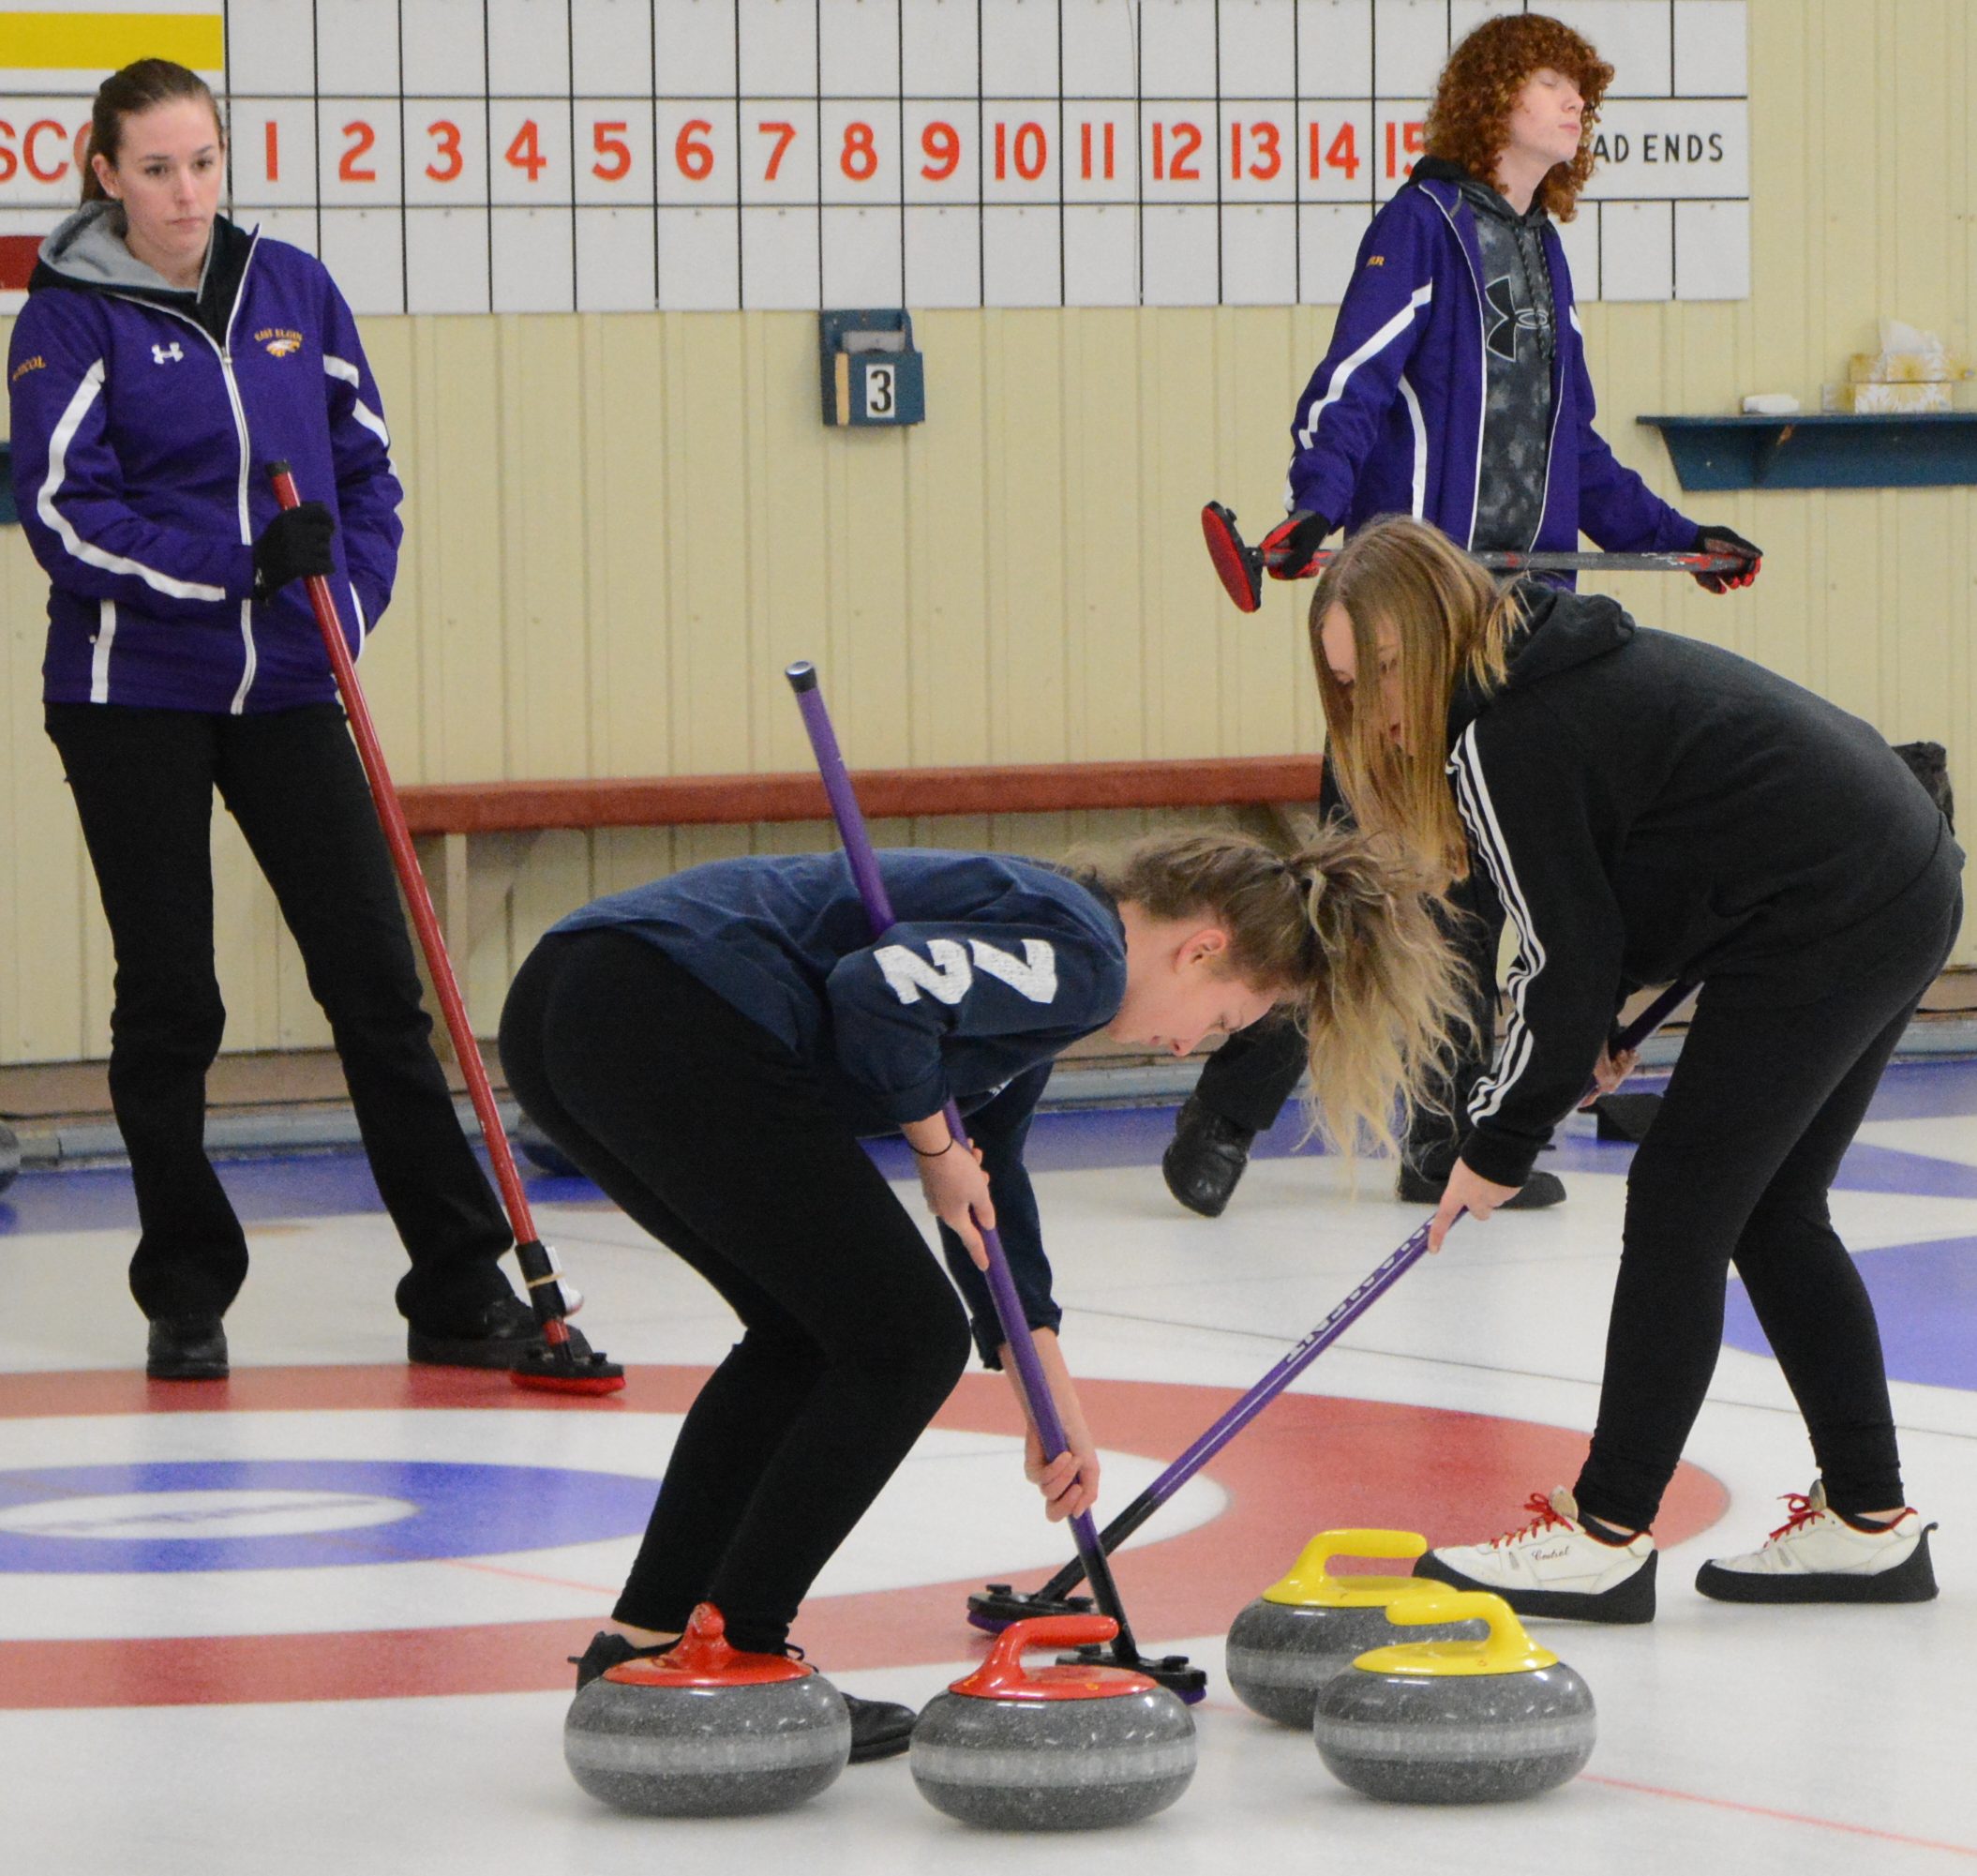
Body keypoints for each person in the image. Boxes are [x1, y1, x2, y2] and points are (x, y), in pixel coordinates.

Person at [499, 829, 1467, 1756]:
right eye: (1218, 1021)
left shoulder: (1047, 960)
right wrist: (930, 1147)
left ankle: (645, 1641)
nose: (1185, 1050)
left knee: (807, 1334)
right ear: (1201, 948)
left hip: (574, 1003)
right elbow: (877, 994)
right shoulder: (1080, 955)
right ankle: (742, 1649)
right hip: (664, 1004)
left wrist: (1050, 1402)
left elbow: (992, 1191)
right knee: (905, 1341)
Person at [1165, 11, 1760, 1222]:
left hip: (1520, 634)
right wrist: (1309, 510)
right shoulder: (1419, 227)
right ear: (1494, 97)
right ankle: (1224, 1115)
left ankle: (1440, 1143)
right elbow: (1348, 387)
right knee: (1355, 885)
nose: (1575, 104)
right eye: (1554, 82)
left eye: (1581, 91)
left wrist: (1675, 538)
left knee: (1490, 880)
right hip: (1408, 628)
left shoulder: (1543, 255)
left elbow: (1576, 456)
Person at [7, 60, 551, 1380]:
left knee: (375, 978)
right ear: (103, 174)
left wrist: (338, 607)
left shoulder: (290, 289)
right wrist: (239, 565)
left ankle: (459, 1279)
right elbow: (64, 515)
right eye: (154, 169)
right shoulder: (64, 317)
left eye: (202, 162)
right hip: (133, 690)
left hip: (292, 683)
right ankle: (186, 1288)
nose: (185, 194)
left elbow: (366, 472)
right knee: (173, 996)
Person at [1311, 515, 1957, 1619]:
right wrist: (1609, 1029)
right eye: (1348, 684)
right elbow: (1655, 873)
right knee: (1774, 1208)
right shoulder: (1544, 677)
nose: (1375, 706)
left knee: (1680, 1205)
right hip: (1891, 875)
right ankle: (1868, 1520)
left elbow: (1561, 959)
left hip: (1838, 905)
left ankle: (1604, 1532)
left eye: (1384, 668)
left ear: (1437, 629)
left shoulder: (1506, 733)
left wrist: (1495, 1141)